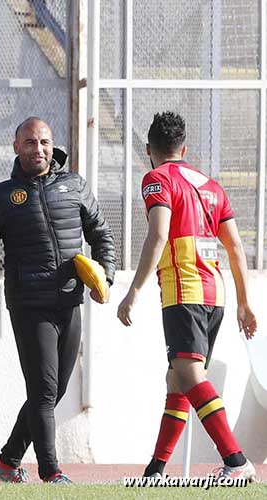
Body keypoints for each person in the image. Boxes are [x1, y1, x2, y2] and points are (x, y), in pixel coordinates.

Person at [0, 117, 116, 483]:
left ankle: (8, 460)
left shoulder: (74, 185)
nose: (38, 149)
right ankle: (51, 472)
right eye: (29, 142)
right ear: (15, 146)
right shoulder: (2, 195)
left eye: (44, 142)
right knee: (42, 390)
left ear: (52, 146)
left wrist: (107, 274)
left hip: (70, 302)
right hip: (28, 304)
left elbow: (100, 232)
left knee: (54, 391)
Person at [117, 111, 257, 481]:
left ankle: (236, 461)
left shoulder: (156, 179)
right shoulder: (211, 186)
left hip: (183, 292)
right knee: (177, 380)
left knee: (191, 375)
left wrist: (132, 292)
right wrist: (244, 303)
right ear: (184, 148)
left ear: (149, 149)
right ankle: (156, 470)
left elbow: (158, 234)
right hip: (217, 295)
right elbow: (237, 247)